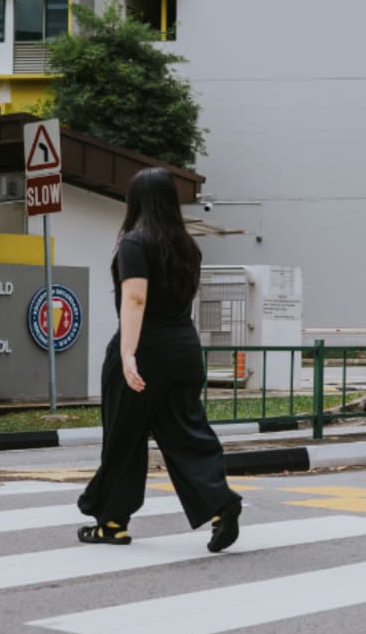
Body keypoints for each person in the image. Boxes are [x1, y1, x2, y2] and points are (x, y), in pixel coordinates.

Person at [77, 166, 242, 552]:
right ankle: (221, 504)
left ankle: (113, 523)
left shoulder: (135, 243)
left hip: (145, 349)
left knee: (124, 437)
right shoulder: (190, 246)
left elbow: (135, 298)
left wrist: (128, 354)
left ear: (134, 202)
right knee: (188, 435)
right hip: (184, 347)